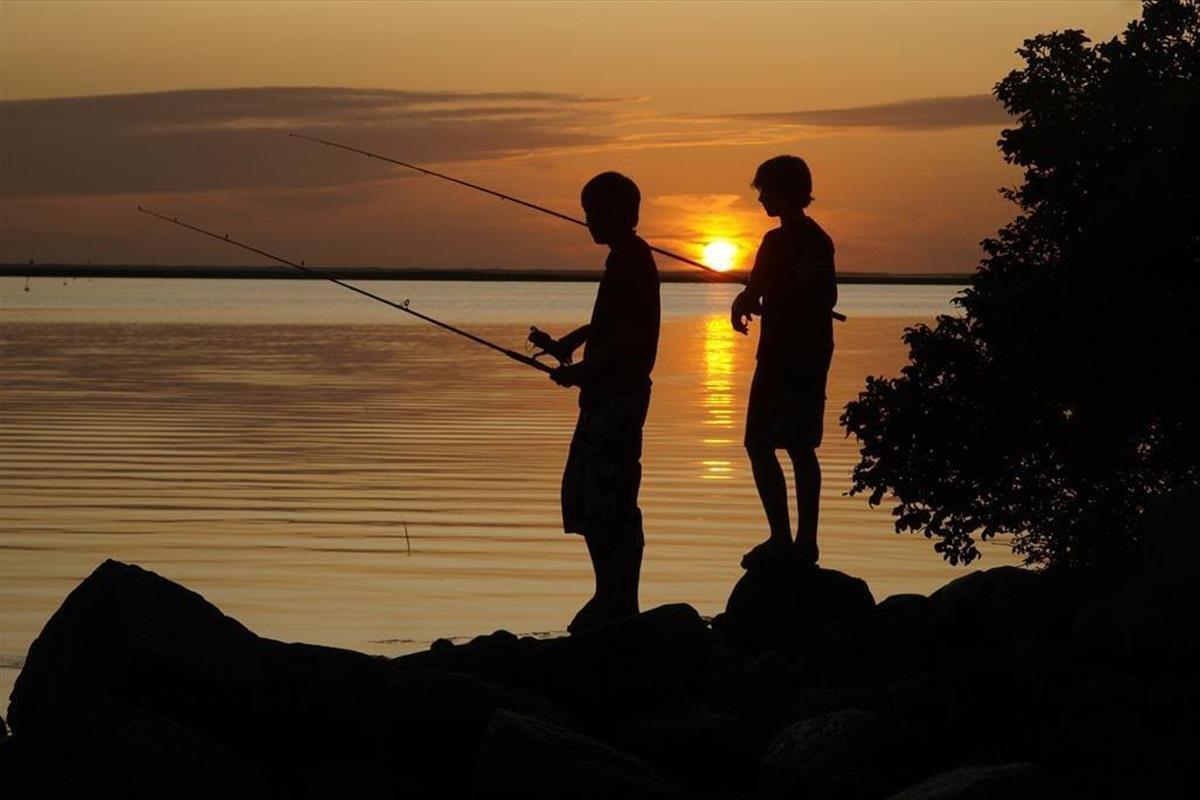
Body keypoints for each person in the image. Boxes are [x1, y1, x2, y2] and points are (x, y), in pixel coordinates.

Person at [534, 172, 660, 632]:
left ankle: (619, 598)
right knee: (586, 496)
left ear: (620, 213)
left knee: (612, 500)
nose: (587, 220)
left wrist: (582, 371)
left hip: (618, 399)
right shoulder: (623, 258)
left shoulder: (632, 261)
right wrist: (570, 343)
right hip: (603, 396)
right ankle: (609, 593)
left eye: (594, 212)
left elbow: (628, 338)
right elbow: (610, 324)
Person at [731, 155, 836, 569]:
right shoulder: (772, 242)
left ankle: (802, 542)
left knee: (798, 446)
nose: (760, 198)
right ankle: (782, 537)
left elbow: (823, 296)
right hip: (774, 355)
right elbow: (755, 289)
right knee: (761, 444)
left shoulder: (814, 240)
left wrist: (773, 292)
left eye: (765, 190)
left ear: (787, 191)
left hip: (802, 357)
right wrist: (743, 301)